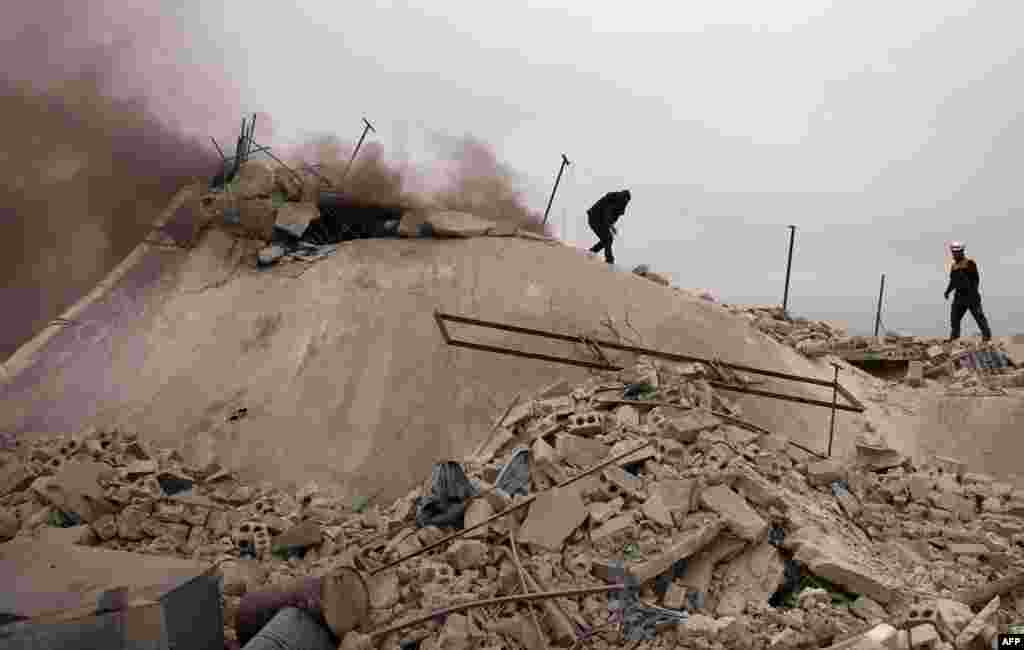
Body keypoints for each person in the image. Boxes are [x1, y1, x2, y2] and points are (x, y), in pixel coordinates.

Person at [944, 241, 992, 343]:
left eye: (958, 252)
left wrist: (973, 292)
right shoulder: (953, 266)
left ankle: (986, 336)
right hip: (959, 297)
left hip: (971, 296)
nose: (955, 254)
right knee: (954, 318)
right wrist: (947, 291)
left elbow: (976, 279)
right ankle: (954, 338)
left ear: (962, 252)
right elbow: (953, 281)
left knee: (979, 317)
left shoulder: (969, 263)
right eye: (954, 252)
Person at [587, 190, 631, 264]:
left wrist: (611, 226)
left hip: (599, 220)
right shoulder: (614, 200)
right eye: (625, 200)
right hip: (595, 218)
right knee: (608, 238)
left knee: (607, 239)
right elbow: (607, 214)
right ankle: (609, 260)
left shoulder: (620, 204)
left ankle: (592, 252)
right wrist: (610, 226)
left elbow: (610, 217)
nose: (625, 203)